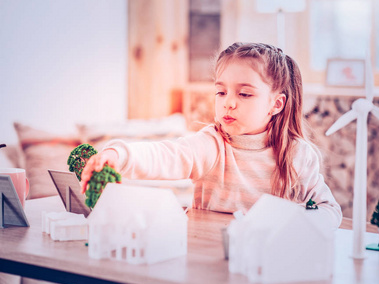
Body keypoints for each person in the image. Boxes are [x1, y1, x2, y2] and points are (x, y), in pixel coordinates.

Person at [80, 42, 342, 229]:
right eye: (221, 92)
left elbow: (330, 211)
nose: (228, 103)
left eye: (244, 93)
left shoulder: (298, 155)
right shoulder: (212, 144)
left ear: (276, 104)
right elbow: (168, 154)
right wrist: (119, 154)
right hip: (206, 260)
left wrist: (294, 221)